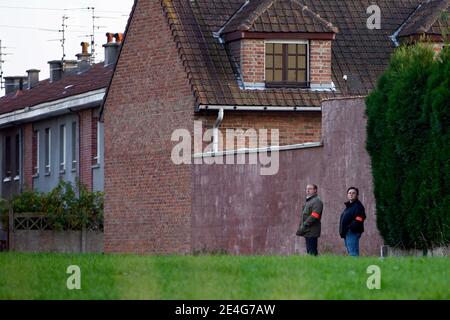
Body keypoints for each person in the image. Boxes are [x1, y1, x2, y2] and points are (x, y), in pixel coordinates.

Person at [296, 184, 323, 256]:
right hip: (307, 230)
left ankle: (316, 266)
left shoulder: (317, 201)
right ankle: (312, 265)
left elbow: (315, 215)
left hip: (312, 230)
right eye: (307, 189)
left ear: (315, 190)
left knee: (312, 252)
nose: (308, 190)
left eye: (310, 189)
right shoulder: (309, 201)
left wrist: (304, 225)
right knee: (310, 251)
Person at [339, 187, 366, 256]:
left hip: (352, 232)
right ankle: (355, 266)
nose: (351, 194)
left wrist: (349, 228)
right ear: (347, 195)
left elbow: (359, 219)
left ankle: (355, 266)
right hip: (347, 233)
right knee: (352, 252)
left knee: (353, 253)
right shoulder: (349, 206)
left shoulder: (358, 206)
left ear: (357, 195)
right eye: (349, 193)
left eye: (353, 193)